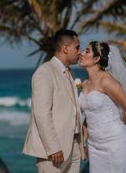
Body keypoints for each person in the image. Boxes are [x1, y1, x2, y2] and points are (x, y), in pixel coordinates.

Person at [23, 29, 85, 173]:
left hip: (73, 145)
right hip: (55, 151)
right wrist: (53, 147)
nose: (80, 52)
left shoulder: (70, 73)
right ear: (65, 48)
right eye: (77, 47)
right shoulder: (45, 72)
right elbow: (41, 114)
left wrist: (81, 144)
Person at [79, 41, 126, 173]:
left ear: (96, 58)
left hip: (115, 143)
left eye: (87, 51)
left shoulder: (106, 81)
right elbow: (87, 116)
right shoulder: (84, 84)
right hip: (94, 146)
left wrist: (121, 124)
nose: (81, 53)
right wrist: (83, 142)